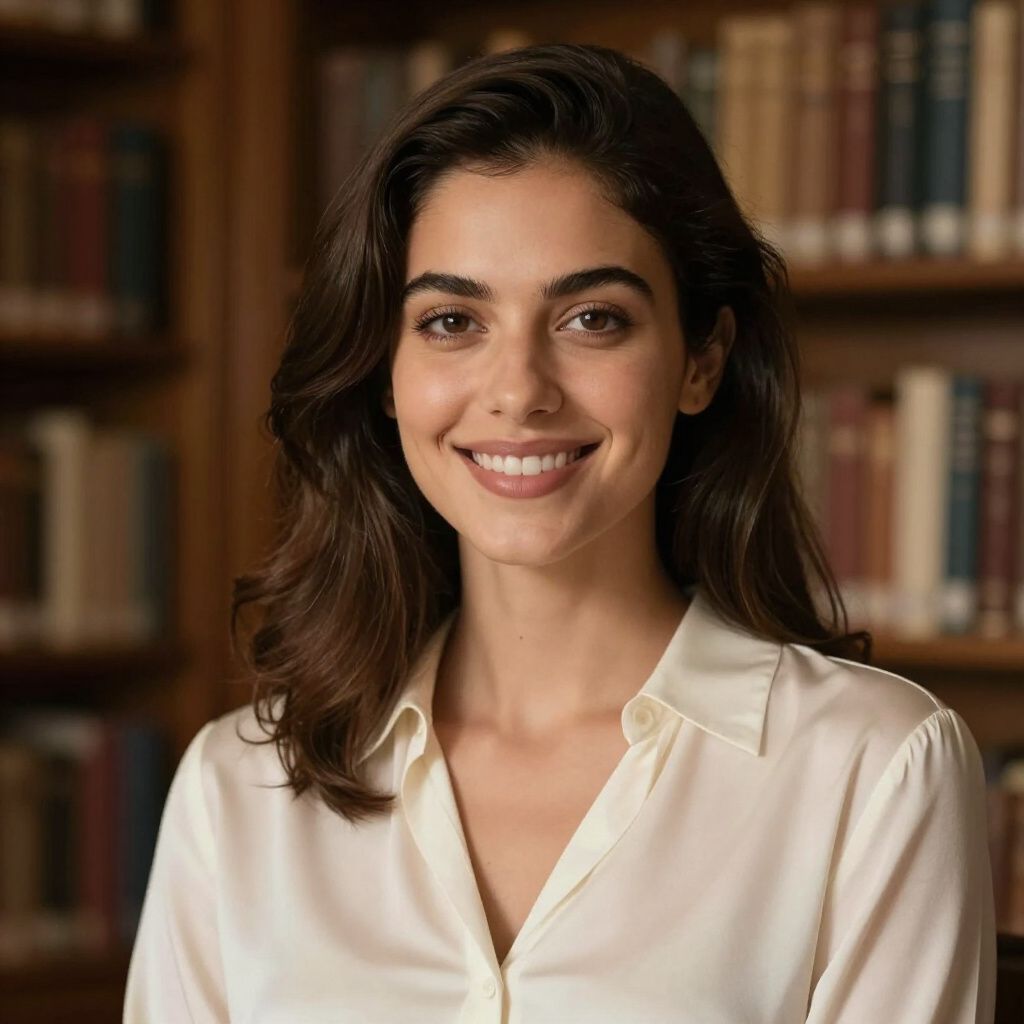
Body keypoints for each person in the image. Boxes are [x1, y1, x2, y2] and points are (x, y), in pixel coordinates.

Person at [123, 42, 996, 1023]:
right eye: (453, 321)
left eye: (591, 318)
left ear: (701, 359)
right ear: (385, 371)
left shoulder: (873, 770)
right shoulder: (237, 786)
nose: (518, 392)